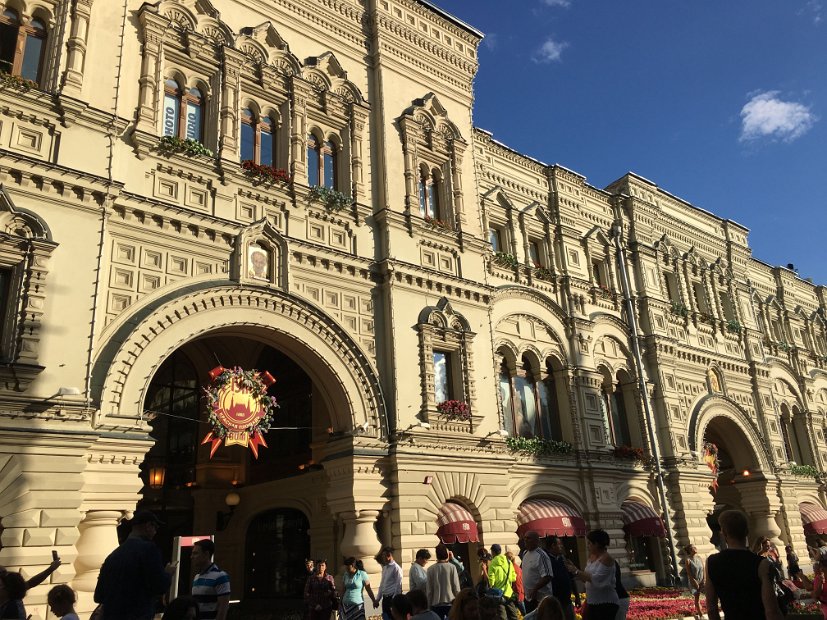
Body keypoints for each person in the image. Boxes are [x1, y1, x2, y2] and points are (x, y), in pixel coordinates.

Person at [94, 510, 176, 620]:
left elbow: (99, 595)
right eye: (155, 527)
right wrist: (168, 574)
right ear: (148, 526)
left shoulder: (113, 556)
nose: (155, 532)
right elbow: (159, 586)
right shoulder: (148, 550)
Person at [705, 509, 784, 620]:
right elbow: (771, 610)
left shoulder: (711, 562)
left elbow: (711, 609)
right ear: (746, 531)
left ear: (723, 533)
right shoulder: (761, 563)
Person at [565, 529, 618, 620]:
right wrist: (575, 569)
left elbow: (596, 580)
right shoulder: (591, 557)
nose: (587, 546)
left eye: (589, 543)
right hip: (592, 601)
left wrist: (576, 571)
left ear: (596, 544)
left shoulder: (606, 558)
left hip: (605, 603)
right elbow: (585, 578)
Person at [191, 539, 230, 620]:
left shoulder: (221, 576)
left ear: (206, 554)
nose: (192, 557)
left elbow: (223, 608)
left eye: (195, 553)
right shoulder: (196, 577)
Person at [427, 543, 461, 619]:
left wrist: (428, 606)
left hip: (435, 605)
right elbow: (456, 587)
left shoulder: (430, 569)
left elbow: (429, 591)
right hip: (450, 603)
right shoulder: (452, 567)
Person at [521, 531, 554, 612]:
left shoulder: (541, 555)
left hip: (541, 599)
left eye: (528, 538)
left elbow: (548, 576)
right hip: (529, 598)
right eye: (524, 538)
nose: (525, 540)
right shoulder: (525, 553)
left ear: (536, 540)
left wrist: (535, 589)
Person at [546, 536, 575, 620]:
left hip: (567, 600)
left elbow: (570, 578)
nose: (562, 546)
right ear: (553, 546)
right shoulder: (547, 560)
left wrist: (576, 595)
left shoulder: (563, 559)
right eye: (559, 544)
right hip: (555, 602)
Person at [487, 544, 518, 620]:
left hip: (498, 594)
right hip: (508, 593)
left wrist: (491, 585)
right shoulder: (508, 562)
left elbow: (491, 578)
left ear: (493, 552)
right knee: (513, 615)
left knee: (502, 616)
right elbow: (513, 577)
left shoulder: (492, 563)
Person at [378, 547, 403, 620]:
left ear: (389, 556)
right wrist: (377, 599)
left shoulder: (396, 568)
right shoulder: (385, 568)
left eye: (383, 556)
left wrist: (394, 600)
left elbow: (398, 585)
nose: (382, 558)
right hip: (385, 599)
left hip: (392, 598)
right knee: (386, 618)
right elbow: (382, 584)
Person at [504, 550, 525, 615]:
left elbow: (517, 583)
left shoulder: (514, 569)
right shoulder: (515, 567)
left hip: (517, 595)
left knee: (523, 613)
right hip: (518, 594)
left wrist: (518, 596)